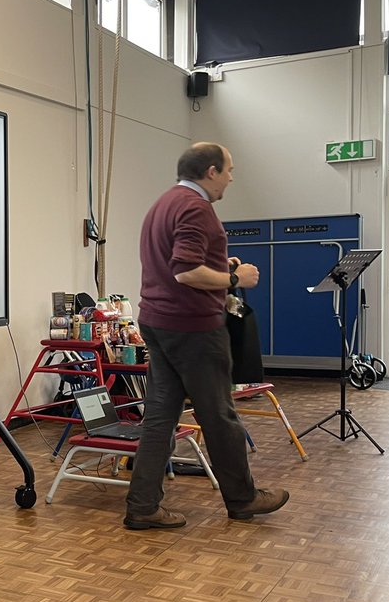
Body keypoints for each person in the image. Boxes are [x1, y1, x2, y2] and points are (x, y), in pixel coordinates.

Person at [124, 142, 289, 530]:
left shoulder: (165, 202)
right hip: (192, 328)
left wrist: (219, 263)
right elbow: (185, 271)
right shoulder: (197, 208)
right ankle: (243, 498)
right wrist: (235, 277)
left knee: (160, 418)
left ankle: (143, 506)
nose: (232, 177)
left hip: (158, 322)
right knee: (219, 416)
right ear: (211, 171)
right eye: (229, 170)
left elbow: (178, 261)